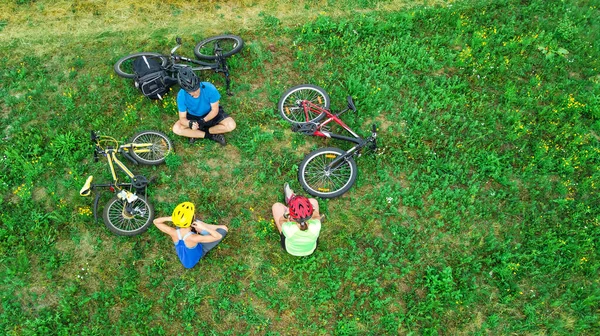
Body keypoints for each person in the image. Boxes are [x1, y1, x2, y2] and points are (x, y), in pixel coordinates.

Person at [171, 68, 236, 146]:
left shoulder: (209, 88)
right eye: (191, 92)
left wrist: (203, 121)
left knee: (231, 125)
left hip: (210, 113)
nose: (195, 93)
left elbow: (215, 110)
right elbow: (182, 118)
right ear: (185, 90)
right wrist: (190, 123)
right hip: (193, 116)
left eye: (196, 89)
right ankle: (210, 135)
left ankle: (197, 133)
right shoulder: (181, 95)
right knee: (176, 129)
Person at [153, 202, 228, 268]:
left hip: (186, 253)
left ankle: (197, 225)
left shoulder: (173, 232)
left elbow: (156, 221)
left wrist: (172, 218)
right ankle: (201, 226)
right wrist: (204, 227)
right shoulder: (194, 238)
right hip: (196, 254)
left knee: (190, 223)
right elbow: (218, 236)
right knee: (223, 229)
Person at [271, 183, 322, 256]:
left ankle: (290, 202)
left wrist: (286, 215)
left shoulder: (288, 229)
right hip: (311, 249)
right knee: (313, 201)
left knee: (276, 206)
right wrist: (312, 208)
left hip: (290, 249)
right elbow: (317, 217)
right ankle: (293, 203)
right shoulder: (316, 226)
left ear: (292, 216)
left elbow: (281, 221)